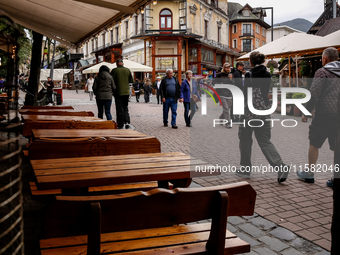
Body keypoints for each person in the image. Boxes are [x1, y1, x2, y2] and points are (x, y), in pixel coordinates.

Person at [236, 51, 289, 183]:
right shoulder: (268, 74)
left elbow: (246, 94)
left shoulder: (249, 75)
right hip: (264, 110)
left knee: (245, 139)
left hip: (249, 113)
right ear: (263, 61)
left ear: (251, 62)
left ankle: (245, 168)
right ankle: (280, 166)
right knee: (265, 140)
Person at [297, 47, 340, 188]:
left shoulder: (323, 72)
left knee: (314, 143)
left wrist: (305, 112)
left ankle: (309, 173)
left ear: (325, 59)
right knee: (336, 147)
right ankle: (336, 178)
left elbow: (314, 94)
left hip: (324, 115)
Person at [111, 59, 134, 129]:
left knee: (119, 108)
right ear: (122, 63)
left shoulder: (114, 71)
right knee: (125, 107)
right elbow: (131, 80)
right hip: (126, 92)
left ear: (116, 64)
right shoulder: (127, 70)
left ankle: (120, 123)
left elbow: (111, 81)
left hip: (118, 92)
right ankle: (127, 121)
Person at [213, 62, 234, 128]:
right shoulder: (219, 75)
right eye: (227, 67)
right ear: (224, 68)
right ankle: (228, 123)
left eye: (229, 67)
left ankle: (221, 118)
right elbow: (213, 82)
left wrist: (231, 79)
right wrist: (220, 83)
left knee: (227, 109)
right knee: (225, 108)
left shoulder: (231, 75)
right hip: (222, 94)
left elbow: (234, 84)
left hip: (229, 94)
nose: (228, 69)